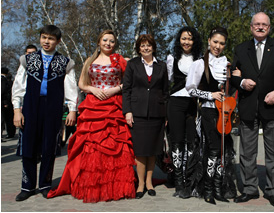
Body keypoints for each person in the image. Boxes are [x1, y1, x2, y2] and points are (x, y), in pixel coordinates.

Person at [47, 29, 135, 203]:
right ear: (99, 41)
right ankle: (93, 185)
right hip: (93, 105)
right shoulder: (90, 60)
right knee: (92, 145)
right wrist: (92, 89)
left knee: (114, 143)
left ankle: (113, 186)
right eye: (105, 40)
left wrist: (115, 89)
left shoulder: (120, 60)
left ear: (115, 44)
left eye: (111, 41)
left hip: (113, 105)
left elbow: (129, 81)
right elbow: (81, 83)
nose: (108, 44)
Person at [230, 12, 274, 207]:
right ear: (251, 27)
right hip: (249, 107)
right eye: (256, 24)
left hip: (273, 108)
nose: (260, 27)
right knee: (247, 152)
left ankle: (273, 190)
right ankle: (249, 189)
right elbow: (233, 75)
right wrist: (241, 82)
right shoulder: (241, 49)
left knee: (273, 153)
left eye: (264, 24)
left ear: (269, 27)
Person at [11, 25, 78, 201]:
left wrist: (72, 110)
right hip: (31, 107)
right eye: (44, 37)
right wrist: (17, 110)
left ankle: (45, 185)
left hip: (53, 108)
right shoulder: (27, 59)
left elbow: (71, 88)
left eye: (50, 38)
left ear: (58, 41)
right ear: (40, 38)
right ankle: (27, 186)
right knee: (28, 146)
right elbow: (18, 86)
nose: (46, 41)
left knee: (49, 147)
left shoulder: (66, 62)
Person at [185, 26, 235, 204]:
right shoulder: (199, 64)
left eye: (222, 43)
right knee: (213, 149)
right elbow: (190, 89)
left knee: (223, 151)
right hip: (208, 110)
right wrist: (210, 95)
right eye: (215, 42)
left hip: (226, 112)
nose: (218, 46)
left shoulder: (227, 63)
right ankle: (207, 189)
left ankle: (218, 188)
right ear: (209, 41)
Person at [122, 34, 169, 199]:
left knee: (153, 151)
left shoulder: (162, 66)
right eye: (142, 46)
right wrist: (127, 111)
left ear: (153, 47)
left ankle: (149, 182)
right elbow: (126, 89)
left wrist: (166, 114)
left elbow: (165, 92)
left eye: (148, 45)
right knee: (141, 151)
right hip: (138, 113)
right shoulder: (132, 64)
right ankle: (140, 183)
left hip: (157, 113)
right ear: (138, 48)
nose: (146, 48)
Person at [166, 27, 203, 198]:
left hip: (193, 103)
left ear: (194, 41)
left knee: (192, 141)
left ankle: (190, 180)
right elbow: (169, 81)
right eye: (183, 39)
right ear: (178, 40)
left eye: (190, 39)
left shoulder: (201, 59)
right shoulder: (172, 58)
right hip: (176, 103)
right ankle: (178, 180)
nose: (186, 42)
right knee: (177, 142)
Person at [2, 67, 15, 139]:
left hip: (5, 102)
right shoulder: (5, 81)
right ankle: (10, 133)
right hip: (7, 102)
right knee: (8, 118)